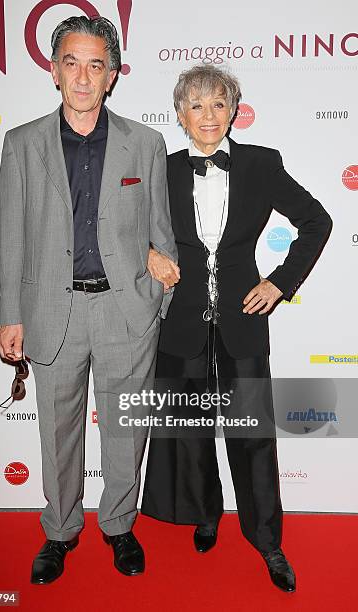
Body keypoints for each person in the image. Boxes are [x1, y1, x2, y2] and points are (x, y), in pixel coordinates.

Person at [0, 15, 177, 583]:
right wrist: (10, 317)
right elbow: (13, 237)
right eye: (70, 62)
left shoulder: (144, 143)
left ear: (112, 76)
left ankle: (119, 525)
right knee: (57, 431)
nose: (82, 76)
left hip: (126, 310)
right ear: (54, 71)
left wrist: (157, 299)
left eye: (95, 64)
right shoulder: (21, 144)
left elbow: (161, 232)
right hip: (53, 311)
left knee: (126, 427)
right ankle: (59, 530)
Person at [142, 65, 332, 593]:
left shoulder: (261, 164)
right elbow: (122, 227)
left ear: (234, 111)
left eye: (218, 104)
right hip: (179, 324)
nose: (208, 115)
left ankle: (268, 541)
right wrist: (151, 253)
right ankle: (206, 515)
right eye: (196, 105)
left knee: (253, 438)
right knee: (191, 434)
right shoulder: (162, 167)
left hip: (244, 323)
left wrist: (280, 282)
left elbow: (317, 221)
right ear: (179, 115)